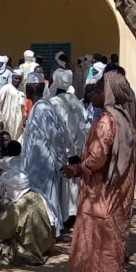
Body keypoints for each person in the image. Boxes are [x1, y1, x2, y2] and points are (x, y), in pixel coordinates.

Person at [61, 71, 136, 272]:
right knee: (110, 247)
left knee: (97, 248)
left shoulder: (106, 121)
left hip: (100, 196)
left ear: (109, 93)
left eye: (99, 89)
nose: (93, 92)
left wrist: (77, 168)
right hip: (117, 195)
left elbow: (97, 158)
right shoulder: (124, 118)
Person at [0, 170, 56, 265]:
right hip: (44, 245)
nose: (5, 190)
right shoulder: (36, 194)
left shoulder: (16, 209)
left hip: (29, 253)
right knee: (4, 202)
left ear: (12, 188)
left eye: (6, 188)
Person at [21, 72, 66, 238]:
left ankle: (49, 232)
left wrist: (60, 161)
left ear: (28, 90)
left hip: (43, 164)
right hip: (34, 164)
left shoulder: (43, 108)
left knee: (46, 199)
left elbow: (56, 136)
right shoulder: (38, 107)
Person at [47, 69, 87, 224]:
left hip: (63, 150)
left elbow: (62, 129)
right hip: (77, 148)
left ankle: (65, 216)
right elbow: (82, 127)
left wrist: (70, 151)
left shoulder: (54, 103)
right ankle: (73, 213)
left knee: (63, 183)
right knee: (73, 184)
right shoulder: (76, 101)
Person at [0, 69, 25, 141]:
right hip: (7, 119)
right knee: (6, 138)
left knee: (18, 139)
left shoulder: (22, 90)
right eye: (16, 78)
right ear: (12, 77)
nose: (17, 80)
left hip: (18, 120)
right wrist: (0, 119)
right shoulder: (6, 88)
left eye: (19, 79)